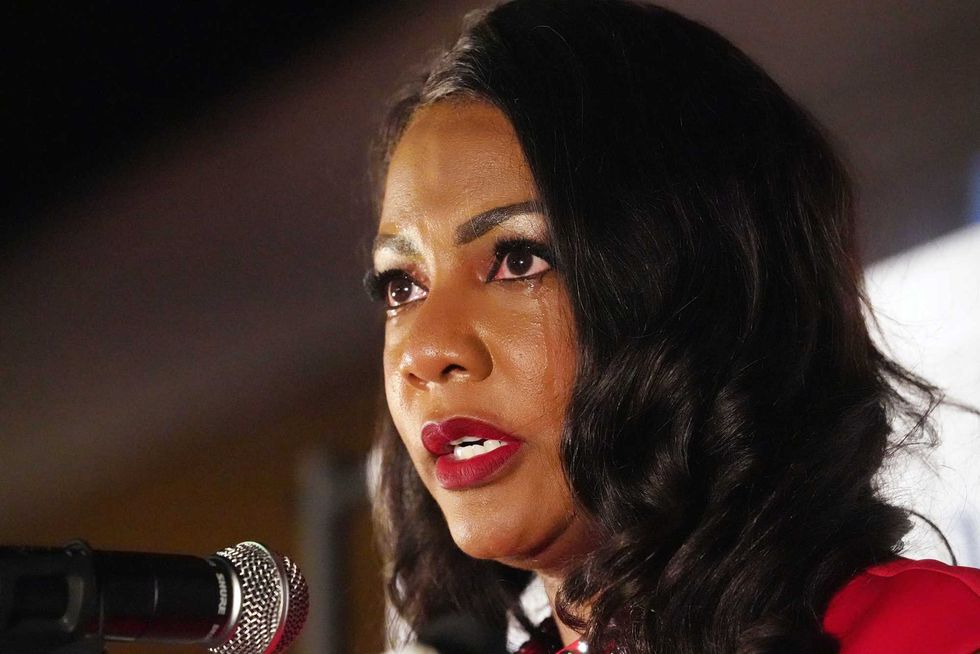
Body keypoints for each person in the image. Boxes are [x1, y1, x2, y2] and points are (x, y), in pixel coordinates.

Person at [364, 1, 980, 652]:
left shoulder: (937, 633)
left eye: (520, 260)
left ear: (706, 293)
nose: (425, 351)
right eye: (402, 286)